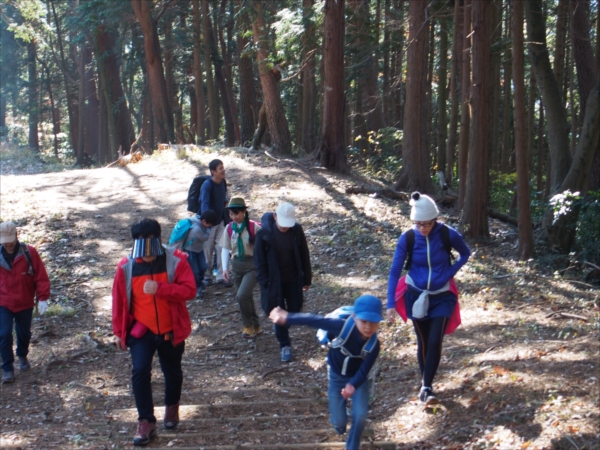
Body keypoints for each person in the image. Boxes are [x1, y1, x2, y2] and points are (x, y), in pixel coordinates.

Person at [112, 218, 196, 446]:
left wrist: (161, 289)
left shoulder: (176, 261)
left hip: (171, 328)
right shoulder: (125, 267)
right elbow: (119, 301)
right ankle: (146, 421)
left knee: (173, 372)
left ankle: (171, 407)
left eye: (151, 250)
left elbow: (190, 290)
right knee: (139, 371)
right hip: (142, 331)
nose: (147, 256)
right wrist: (119, 331)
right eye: (143, 251)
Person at [386, 192, 471, 405]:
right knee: (423, 341)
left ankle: (426, 386)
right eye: (418, 224)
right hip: (415, 295)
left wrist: (450, 273)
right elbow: (395, 269)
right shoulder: (409, 237)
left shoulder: (447, 234)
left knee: (435, 340)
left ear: (435, 219)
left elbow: (465, 254)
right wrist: (389, 304)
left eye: (426, 224)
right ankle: (426, 387)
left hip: (442, 297)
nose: (422, 228)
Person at [269, 295, 382, 450]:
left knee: (360, 415)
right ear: (354, 317)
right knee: (339, 421)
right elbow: (314, 320)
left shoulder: (374, 345)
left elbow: (365, 370)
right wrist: (288, 317)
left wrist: (352, 385)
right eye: (364, 322)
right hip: (336, 377)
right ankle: (339, 424)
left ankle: (352, 446)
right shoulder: (342, 327)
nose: (368, 327)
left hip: (358, 380)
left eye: (373, 322)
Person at [253, 202, 311, 362]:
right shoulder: (263, 234)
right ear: (275, 217)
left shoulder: (296, 231)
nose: (285, 227)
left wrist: (307, 277)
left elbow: (304, 254)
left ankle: (281, 327)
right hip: (273, 282)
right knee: (277, 313)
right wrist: (264, 282)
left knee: (293, 311)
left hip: (292, 279)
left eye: (288, 224)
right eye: (282, 223)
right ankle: (285, 345)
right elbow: (259, 261)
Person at [0, 221, 50, 384]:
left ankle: (22, 354)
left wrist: (42, 298)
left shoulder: (29, 252)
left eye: (10, 239)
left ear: (16, 236)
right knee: (4, 334)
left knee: (24, 333)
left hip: (25, 301)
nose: (8, 244)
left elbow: (41, 276)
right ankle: (7, 368)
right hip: (3, 302)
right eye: (4, 240)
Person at [220, 198, 262, 338]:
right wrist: (225, 269)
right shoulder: (229, 228)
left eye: (236, 214)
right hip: (236, 266)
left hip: (252, 266)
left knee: (242, 295)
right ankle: (256, 324)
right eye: (231, 214)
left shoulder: (254, 227)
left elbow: (263, 249)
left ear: (244, 211)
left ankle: (247, 326)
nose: (233, 217)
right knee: (246, 298)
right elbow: (225, 249)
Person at [200, 159, 232, 287]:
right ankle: (206, 277)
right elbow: (204, 204)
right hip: (208, 224)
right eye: (220, 168)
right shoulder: (207, 185)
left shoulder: (223, 182)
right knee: (207, 250)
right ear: (213, 172)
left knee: (222, 248)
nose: (223, 170)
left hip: (220, 222)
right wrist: (207, 221)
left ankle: (221, 276)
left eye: (223, 167)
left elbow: (223, 198)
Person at [181, 209, 219, 299]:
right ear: (204, 221)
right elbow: (205, 238)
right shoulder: (196, 229)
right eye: (209, 224)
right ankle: (198, 288)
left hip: (198, 250)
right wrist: (209, 230)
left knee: (203, 267)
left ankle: (198, 283)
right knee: (195, 271)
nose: (210, 226)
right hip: (190, 251)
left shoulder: (200, 223)